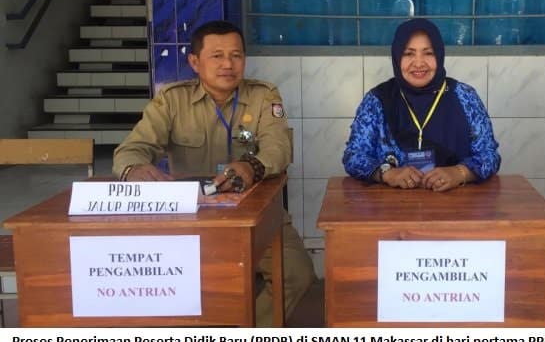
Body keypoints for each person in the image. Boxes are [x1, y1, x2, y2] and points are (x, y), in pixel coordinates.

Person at [113, 20, 315, 326]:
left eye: (236, 55)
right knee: (166, 283)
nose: (228, 64)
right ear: (195, 62)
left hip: (258, 212)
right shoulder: (172, 100)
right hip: (192, 216)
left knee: (297, 273)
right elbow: (132, 148)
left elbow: (278, 147)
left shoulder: (264, 96)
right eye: (217, 56)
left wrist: (253, 166)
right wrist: (134, 168)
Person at [343, 18, 500, 190]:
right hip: (391, 208)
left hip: (454, 206)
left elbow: (489, 155)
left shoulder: (464, 97)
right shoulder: (377, 100)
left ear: (439, 55)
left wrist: (459, 173)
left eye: (428, 53)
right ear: (397, 57)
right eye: (409, 53)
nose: (418, 63)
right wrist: (387, 173)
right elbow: (353, 156)